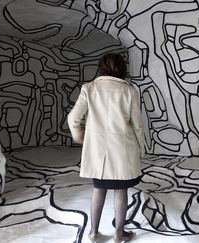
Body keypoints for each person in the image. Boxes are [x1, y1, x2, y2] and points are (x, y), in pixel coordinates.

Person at [68, 53, 145, 243]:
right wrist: (141, 150)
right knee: (120, 190)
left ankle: (94, 233)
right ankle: (119, 235)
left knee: (99, 189)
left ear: (101, 67)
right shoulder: (130, 91)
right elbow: (137, 125)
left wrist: (80, 136)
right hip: (123, 150)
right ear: (122, 68)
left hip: (98, 151)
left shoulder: (90, 88)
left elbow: (73, 119)